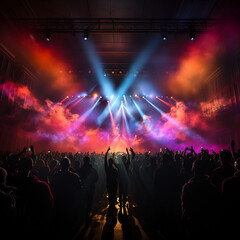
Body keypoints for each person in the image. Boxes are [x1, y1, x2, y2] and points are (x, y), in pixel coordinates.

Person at [181, 160, 221, 239]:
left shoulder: (188, 187)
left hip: (193, 222)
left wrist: (183, 224)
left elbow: (185, 207)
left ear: (193, 169)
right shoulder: (212, 188)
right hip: (207, 223)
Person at [51, 157, 81, 236]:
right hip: (70, 202)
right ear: (69, 165)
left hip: (58, 202)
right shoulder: (74, 176)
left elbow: (52, 188)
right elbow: (79, 189)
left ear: (60, 165)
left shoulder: (56, 176)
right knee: (68, 223)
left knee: (59, 223)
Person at [78, 156, 98, 223]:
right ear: (89, 161)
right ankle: (87, 217)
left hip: (83, 187)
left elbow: (78, 179)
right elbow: (96, 179)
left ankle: (81, 217)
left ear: (84, 161)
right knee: (89, 203)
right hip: (91, 188)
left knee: (82, 202)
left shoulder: (81, 169)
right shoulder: (93, 170)